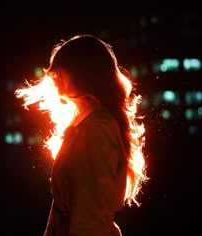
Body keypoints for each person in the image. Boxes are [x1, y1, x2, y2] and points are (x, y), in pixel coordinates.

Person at [16, 34, 148, 236]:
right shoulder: (88, 124)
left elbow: (90, 214)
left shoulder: (97, 127)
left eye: (61, 69)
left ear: (82, 74)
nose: (54, 75)